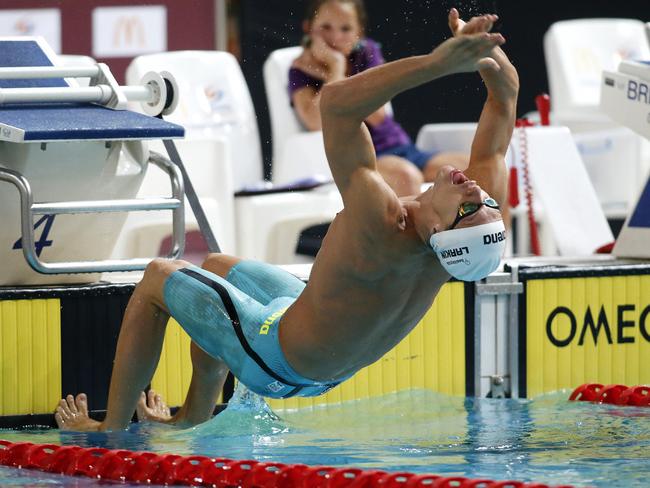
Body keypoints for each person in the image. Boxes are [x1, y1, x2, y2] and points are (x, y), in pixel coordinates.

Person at [54, 9, 518, 431]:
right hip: (321, 355)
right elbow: (505, 98)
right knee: (214, 265)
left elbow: (335, 104)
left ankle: (108, 432)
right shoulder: (461, 230)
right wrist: (484, 53)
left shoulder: (382, 221)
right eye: (486, 203)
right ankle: (191, 417)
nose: (477, 192)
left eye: (469, 206)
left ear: (438, 231)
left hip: (275, 357)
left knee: (158, 277)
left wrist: (437, 63)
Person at [289, 0, 470, 196]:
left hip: (400, 146)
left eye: (346, 29)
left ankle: (497, 227)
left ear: (360, 32)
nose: (335, 36)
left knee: (469, 166)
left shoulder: (367, 52)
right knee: (405, 176)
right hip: (363, 157)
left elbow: (377, 113)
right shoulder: (299, 69)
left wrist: (336, 76)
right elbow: (315, 122)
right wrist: (336, 67)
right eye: (326, 27)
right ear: (308, 28)